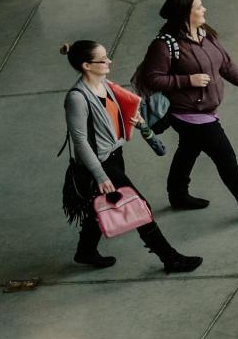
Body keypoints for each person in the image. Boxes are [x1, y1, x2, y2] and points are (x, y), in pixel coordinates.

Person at [135, 0, 238, 223]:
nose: (204, 10)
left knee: (188, 150)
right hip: (188, 114)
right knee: (226, 158)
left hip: (205, 109)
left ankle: (178, 194)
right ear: (185, 13)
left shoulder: (205, 34)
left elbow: (226, 65)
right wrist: (187, 80)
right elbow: (152, 78)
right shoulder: (164, 45)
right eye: (199, 7)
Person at [59, 40, 202, 273]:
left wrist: (141, 127)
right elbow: (80, 142)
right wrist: (100, 175)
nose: (109, 61)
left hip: (115, 156)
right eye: (103, 59)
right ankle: (170, 258)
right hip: (101, 163)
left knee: (100, 204)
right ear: (86, 65)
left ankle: (85, 251)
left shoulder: (105, 85)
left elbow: (122, 113)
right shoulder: (77, 98)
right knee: (139, 205)